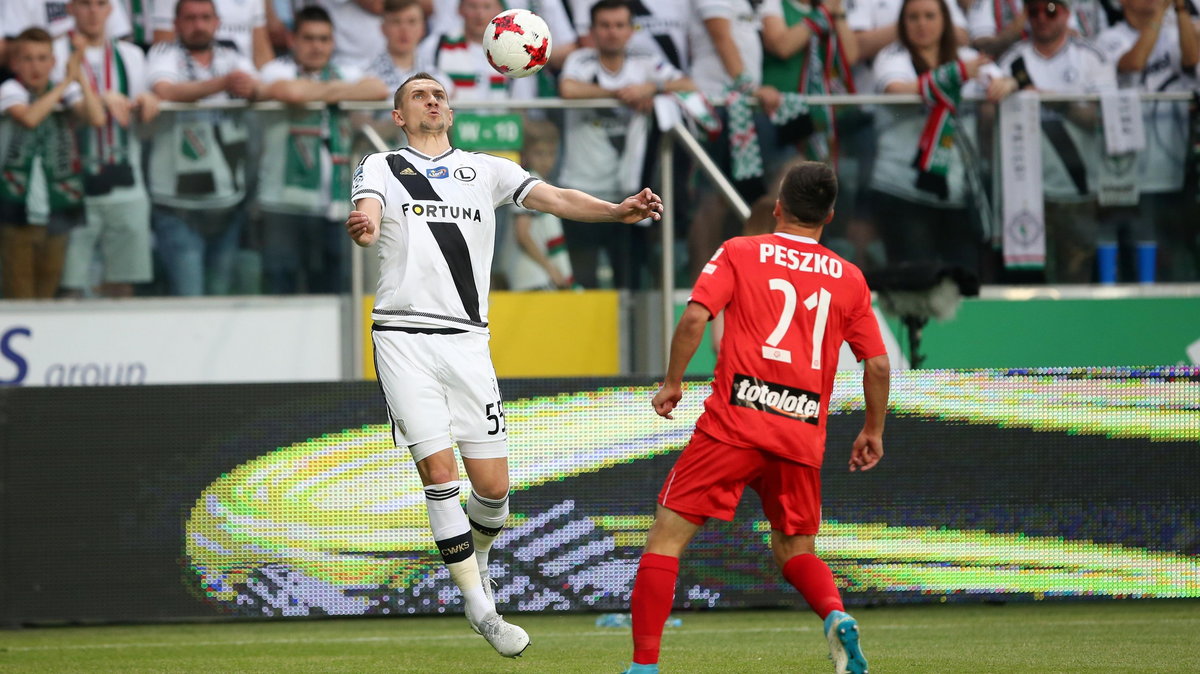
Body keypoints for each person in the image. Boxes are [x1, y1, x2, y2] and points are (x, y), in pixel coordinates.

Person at [345, 72, 663, 657]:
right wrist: (364, 229)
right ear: (399, 115)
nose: (433, 100)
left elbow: (558, 200)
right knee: (439, 473)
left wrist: (617, 211)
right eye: (419, 95)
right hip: (404, 335)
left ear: (452, 110)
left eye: (439, 94)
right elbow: (366, 217)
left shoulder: (487, 169)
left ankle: (477, 561)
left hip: (468, 341)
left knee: (493, 491)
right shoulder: (381, 164)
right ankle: (481, 609)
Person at [622, 161, 890, 674]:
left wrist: (673, 382)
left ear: (778, 208)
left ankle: (644, 667)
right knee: (795, 549)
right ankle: (833, 614)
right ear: (829, 215)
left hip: (733, 426)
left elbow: (696, 315)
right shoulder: (850, 278)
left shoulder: (740, 251)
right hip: (801, 432)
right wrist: (872, 430)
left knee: (666, 540)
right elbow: (877, 364)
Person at [869, 0, 1016, 275]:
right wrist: (957, 73)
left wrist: (1007, 84)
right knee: (914, 283)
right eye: (913, 17)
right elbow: (897, 90)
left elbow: (1004, 81)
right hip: (902, 188)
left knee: (964, 279)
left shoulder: (965, 55)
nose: (922, 23)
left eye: (929, 16)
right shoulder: (892, 56)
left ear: (945, 20)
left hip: (956, 191)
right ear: (902, 22)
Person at [558, 0, 693, 288]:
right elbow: (568, 88)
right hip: (581, 187)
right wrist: (621, 94)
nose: (612, 32)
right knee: (584, 283)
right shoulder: (580, 60)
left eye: (619, 25)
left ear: (631, 30)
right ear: (592, 30)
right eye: (604, 25)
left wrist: (652, 88)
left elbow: (688, 85)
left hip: (628, 192)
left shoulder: (644, 62)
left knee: (629, 283)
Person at [257, 5, 387, 294]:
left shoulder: (344, 70)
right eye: (309, 38)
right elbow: (291, 93)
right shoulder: (277, 69)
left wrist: (316, 93)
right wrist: (338, 94)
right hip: (283, 204)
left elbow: (377, 89)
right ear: (293, 40)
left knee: (332, 291)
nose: (317, 47)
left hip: (336, 205)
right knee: (281, 291)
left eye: (324, 39)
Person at [997, 0, 1117, 282]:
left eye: (1050, 10)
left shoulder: (1091, 56)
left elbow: (1101, 120)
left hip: (1077, 188)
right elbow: (991, 118)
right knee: (1027, 286)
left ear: (1066, 13)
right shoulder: (1011, 60)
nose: (1042, 18)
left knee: (1076, 279)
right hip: (1024, 194)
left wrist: (1047, 98)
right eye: (1034, 11)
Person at [146, 0, 259, 296]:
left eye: (205, 18)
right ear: (176, 24)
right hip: (177, 204)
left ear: (217, 22)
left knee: (221, 295)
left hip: (228, 199)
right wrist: (224, 84)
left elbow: (254, 87)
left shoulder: (232, 54)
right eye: (190, 18)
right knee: (190, 297)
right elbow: (165, 91)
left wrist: (250, 88)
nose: (198, 25)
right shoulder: (163, 52)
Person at [54, 0, 159, 298]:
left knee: (123, 285)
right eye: (85, 4)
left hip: (127, 181)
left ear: (111, 10)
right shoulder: (57, 52)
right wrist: (104, 98)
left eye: (101, 4)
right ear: (71, 8)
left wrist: (149, 104)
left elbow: (146, 124)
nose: (93, 12)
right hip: (74, 185)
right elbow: (79, 110)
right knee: (70, 286)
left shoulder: (132, 55)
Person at [1095, 0, 1200, 282]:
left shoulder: (1177, 31)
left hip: (1171, 157)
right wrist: (1158, 18)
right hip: (1125, 162)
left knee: (1169, 242)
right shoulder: (1110, 37)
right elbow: (1134, 63)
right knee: (1125, 230)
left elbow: (1192, 60)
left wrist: (1179, 12)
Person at [0, 28, 106, 299]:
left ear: (52, 62)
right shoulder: (10, 89)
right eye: (27, 58)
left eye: (42, 58)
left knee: (48, 293)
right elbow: (29, 118)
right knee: (20, 291)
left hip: (59, 203)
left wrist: (78, 75)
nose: (35, 66)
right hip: (14, 204)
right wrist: (65, 81)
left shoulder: (65, 88)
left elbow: (96, 118)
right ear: (14, 63)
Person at [502, 119, 574, 290]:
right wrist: (550, 268)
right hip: (531, 275)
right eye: (539, 153)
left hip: (539, 274)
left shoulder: (542, 183)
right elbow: (523, 234)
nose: (546, 160)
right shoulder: (526, 184)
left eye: (551, 153)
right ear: (525, 155)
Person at [152, 0, 273, 68]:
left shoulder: (239, 63)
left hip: (241, 86)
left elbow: (261, 52)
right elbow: (163, 47)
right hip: (185, 81)